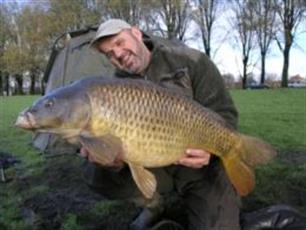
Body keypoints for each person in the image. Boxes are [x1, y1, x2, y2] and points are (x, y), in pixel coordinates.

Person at [81, 18, 241, 230]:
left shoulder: (191, 60)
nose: (117, 54)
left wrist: (210, 153)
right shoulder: (112, 87)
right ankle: (152, 202)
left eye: (120, 43)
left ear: (137, 34)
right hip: (152, 164)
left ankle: (205, 197)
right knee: (95, 171)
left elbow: (225, 113)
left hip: (200, 167)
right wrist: (111, 159)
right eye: (109, 54)